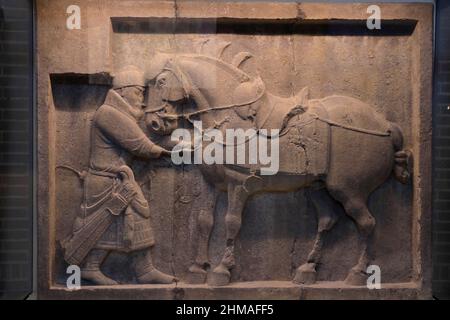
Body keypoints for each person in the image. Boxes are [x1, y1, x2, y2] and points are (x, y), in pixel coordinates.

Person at [63, 65, 177, 285]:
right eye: (138, 93)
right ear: (123, 91)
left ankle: (144, 270)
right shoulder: (109, 114)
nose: (142, 100)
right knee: (100, 225)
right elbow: (141, 146)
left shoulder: (119, 114)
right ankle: (89, 267)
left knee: (136, 222)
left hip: (118, 181)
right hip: (107, 182)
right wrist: (173, 153)